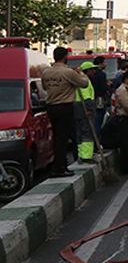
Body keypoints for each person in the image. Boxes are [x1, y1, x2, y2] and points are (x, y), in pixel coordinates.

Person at [40, 47, 90, 177]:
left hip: (51, 107)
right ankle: (60, 168)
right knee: (62, 138)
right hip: (64, 107)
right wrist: (81, 73)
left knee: (57, 137)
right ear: (65, 56)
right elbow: (84, 84)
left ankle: (59, 165)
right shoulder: (68, 72)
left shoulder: (46, 72)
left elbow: (45, 87)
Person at [73, 61, 98, 163]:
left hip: (78, 108)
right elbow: (86, 96)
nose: (94, 71)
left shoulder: (78, 79)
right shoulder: (84, 81)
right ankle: (86, 156)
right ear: (87, 70)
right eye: (92, 69)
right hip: (83, 108)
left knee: (80, 132)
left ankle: (82, 154)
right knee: (87, 132)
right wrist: (89, 109)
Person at [88, 59, 109, 141]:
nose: (106, 64)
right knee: (98, 121)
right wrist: (108, 87)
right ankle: (96, 142)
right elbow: (103, 87)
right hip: (100, 99)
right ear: (100, 64)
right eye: (104, 62)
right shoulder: (101, 74)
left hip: (91, 99)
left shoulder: (91, 75)